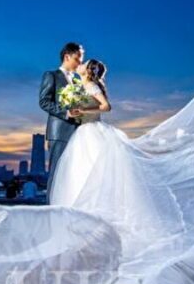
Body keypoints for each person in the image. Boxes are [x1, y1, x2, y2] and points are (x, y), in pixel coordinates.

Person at [47, 58, 186, 257]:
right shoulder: (78, 86)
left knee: (95, 173)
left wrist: (84, 110)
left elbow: (106, 106)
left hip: (92, 133)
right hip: (82, 133)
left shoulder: (91, 85)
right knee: (79, 174)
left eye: (84, 64)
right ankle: (80, 229)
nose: (80, 64)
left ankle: (97, 223)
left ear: (88, 70)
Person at [39, 42, 85, 204]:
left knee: (73, 174)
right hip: (59, 132)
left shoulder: (78, 81)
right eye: (77, 58)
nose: (80, 62)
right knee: (56, 173)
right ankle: (51, 210)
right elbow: (43, 101)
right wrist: (66, 112)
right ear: (67, 56)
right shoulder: (51, 75)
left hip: (78, 133)